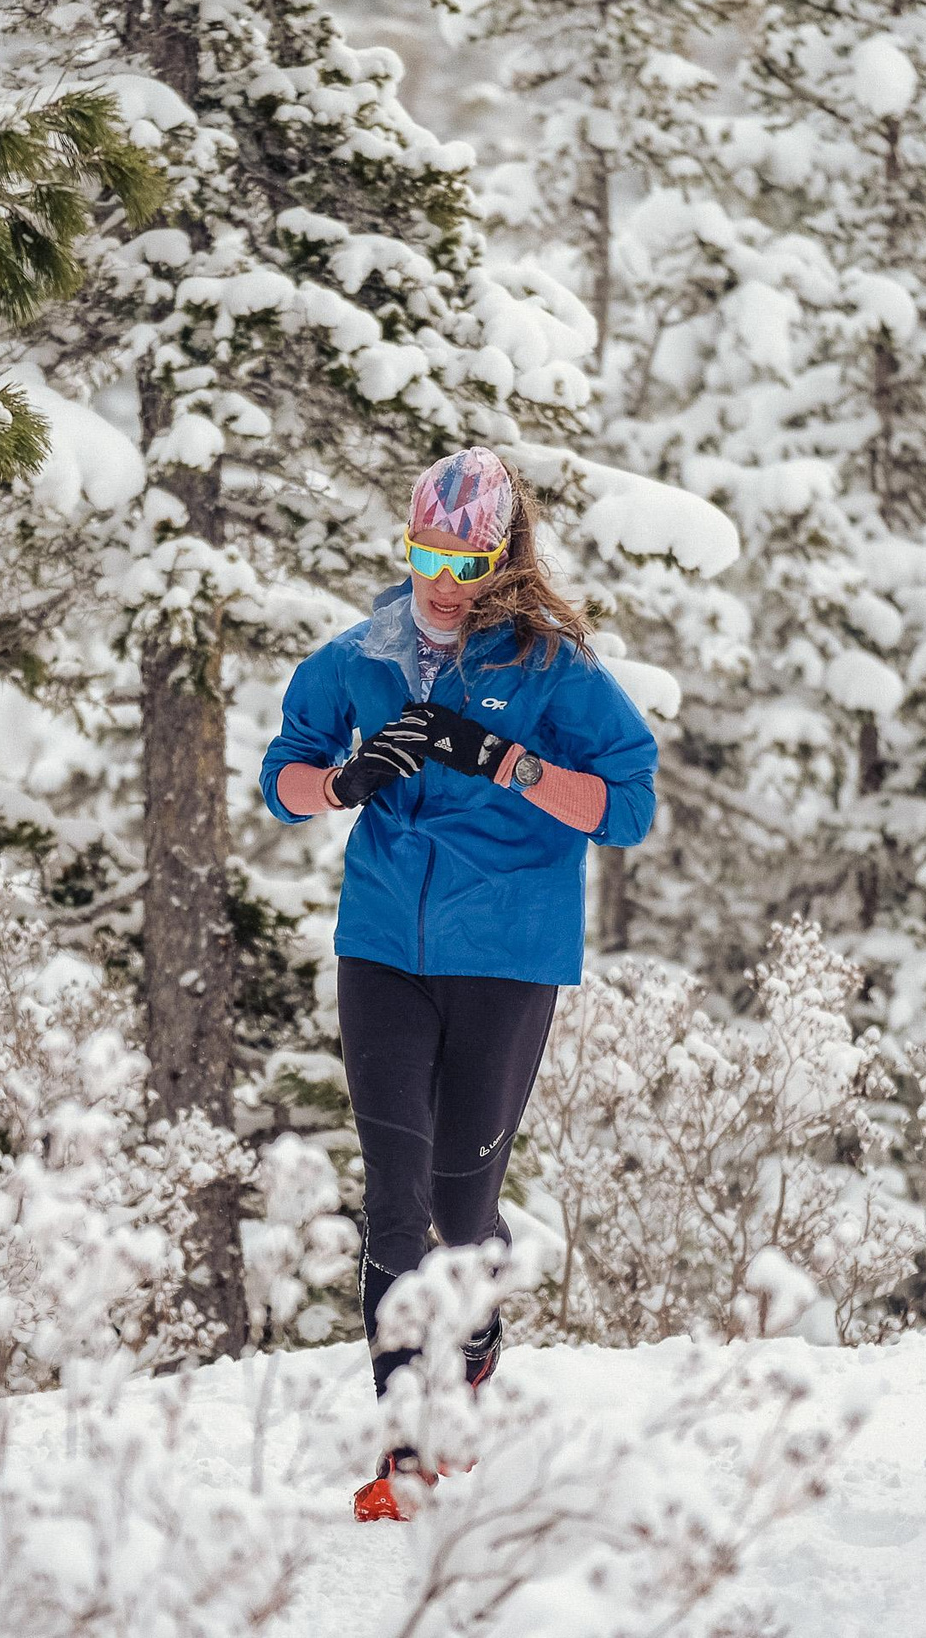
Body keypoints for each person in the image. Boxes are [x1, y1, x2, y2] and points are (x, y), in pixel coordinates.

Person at [257, 446, 657, 1522]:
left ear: (501, 553)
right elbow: (283, 780)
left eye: (464, 556)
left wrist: (509, 764)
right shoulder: (360, 656)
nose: (441, 578)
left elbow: (626, 807)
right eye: (424, 552)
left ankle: (475, 1329)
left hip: (507, 954)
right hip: (382, 944)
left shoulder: (552, 670)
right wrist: (343, 778)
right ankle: (406, 1454)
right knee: (393, 1199)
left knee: (455, 1204)